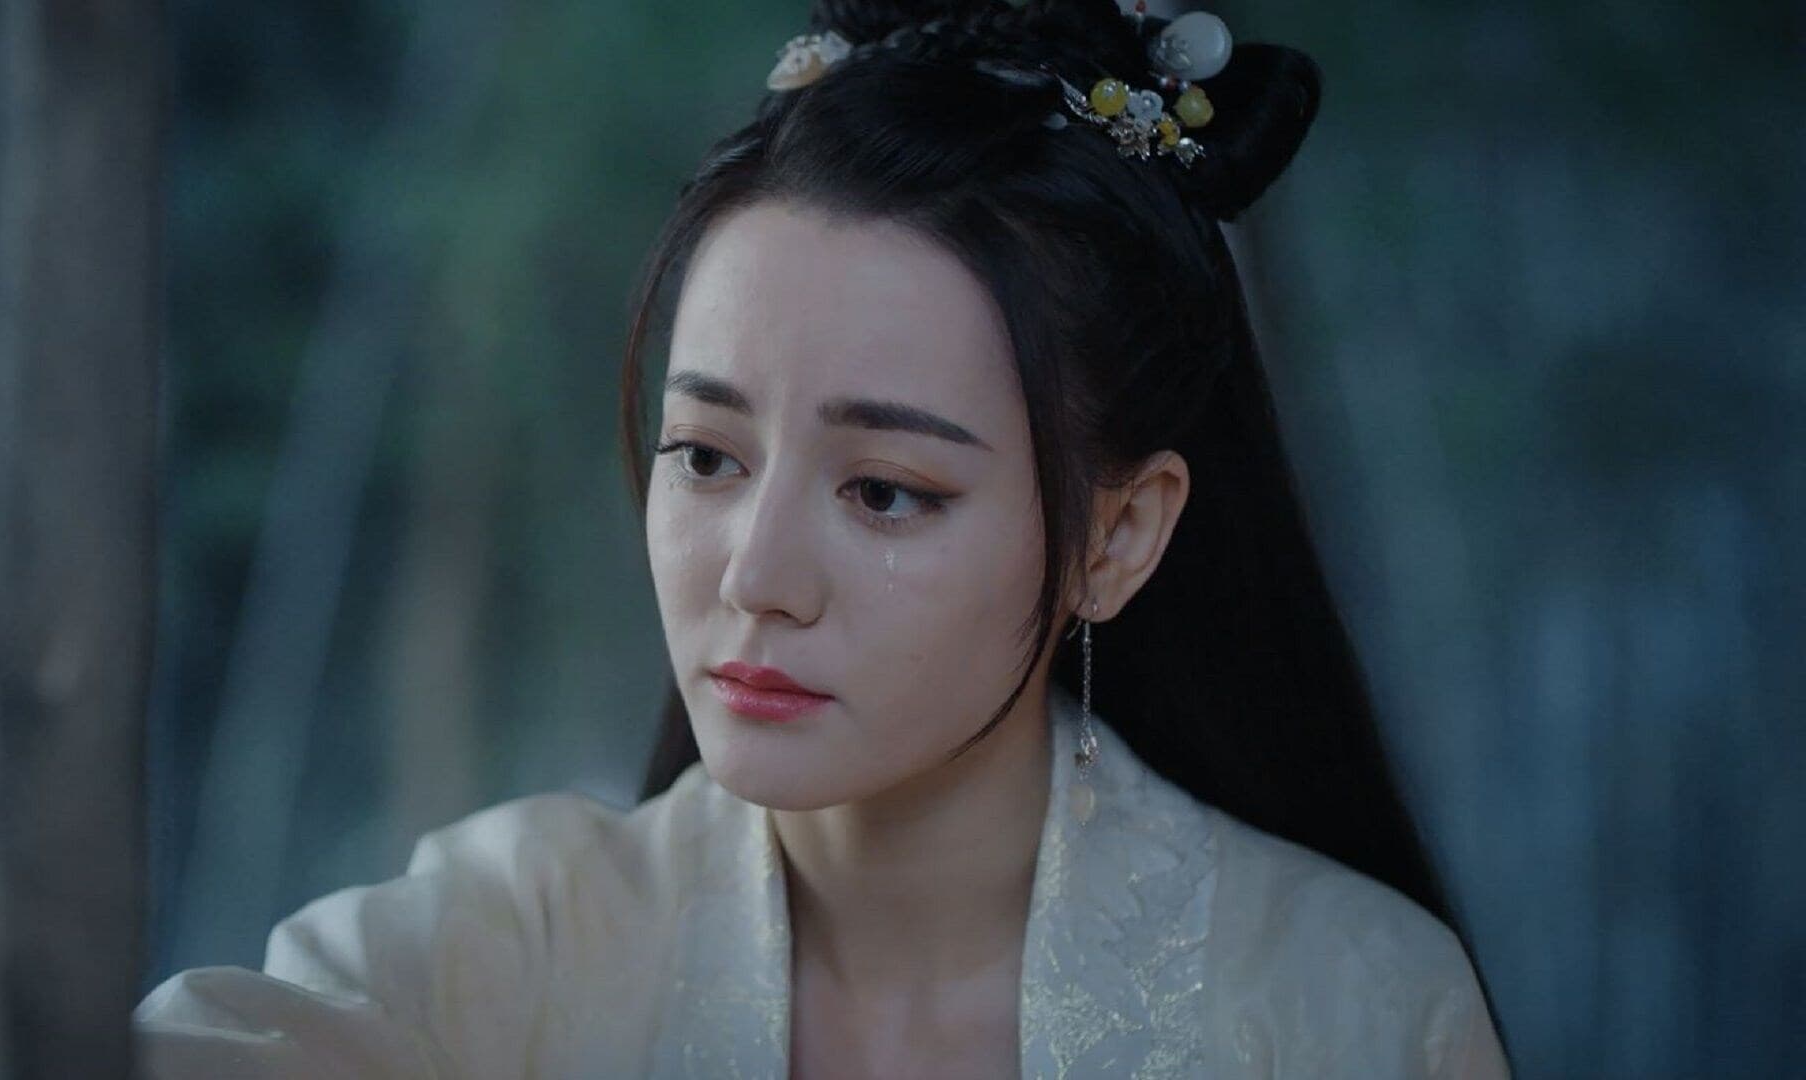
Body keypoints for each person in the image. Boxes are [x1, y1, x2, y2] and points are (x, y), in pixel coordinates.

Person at [135, 1, 1513, 1076]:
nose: (756, 578)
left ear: (1119, 535)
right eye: (706, 456)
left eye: (886, 492)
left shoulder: (1348, 1009)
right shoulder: (504, 948)